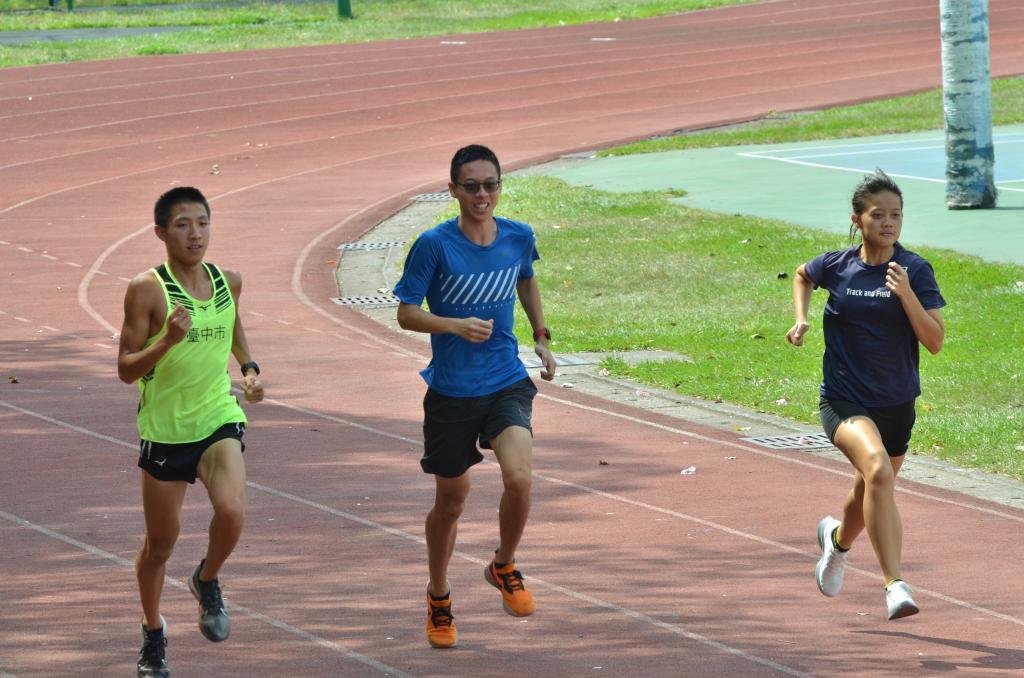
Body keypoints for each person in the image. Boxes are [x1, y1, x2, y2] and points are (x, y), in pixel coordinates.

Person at [393, 144, 556, 648]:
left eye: (490, 185)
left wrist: (542, 336)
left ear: (500, 186)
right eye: (471, 186)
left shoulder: (519, 236)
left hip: (505, 380)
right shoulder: (433, 245)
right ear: (453, 190)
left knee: (520, 478)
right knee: (451, 502)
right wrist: (454, 325)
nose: (482, 195)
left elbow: (526, 280)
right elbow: (406, 312)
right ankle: (439, 595)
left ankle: (503, 565)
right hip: (451, 392)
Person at [117, 186, 263, 677]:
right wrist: (167, 341)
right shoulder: (147, 289)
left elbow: (232, 322)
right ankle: (153, 631)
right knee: (160, 546)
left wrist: (249, 367)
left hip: (217, 416)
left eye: (202, 222)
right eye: (182, 225)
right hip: (165, 430)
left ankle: (207, 578)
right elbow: (126, 369)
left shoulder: (228, 281)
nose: (195, 234)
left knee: (233, 511)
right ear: (161, 233)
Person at [786, 170, 945, 621]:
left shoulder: (914, 270)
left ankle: (836, 542)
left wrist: (907, 295)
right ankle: (895, 584)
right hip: (844, 399)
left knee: (871, 487)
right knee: (877, 469)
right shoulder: (838, 265)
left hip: (896, 403)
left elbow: (934, 341)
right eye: (878, 215)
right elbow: (802, 274)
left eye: (896, 215)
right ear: (858, 220)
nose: (888, 222)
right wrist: (801, 317)